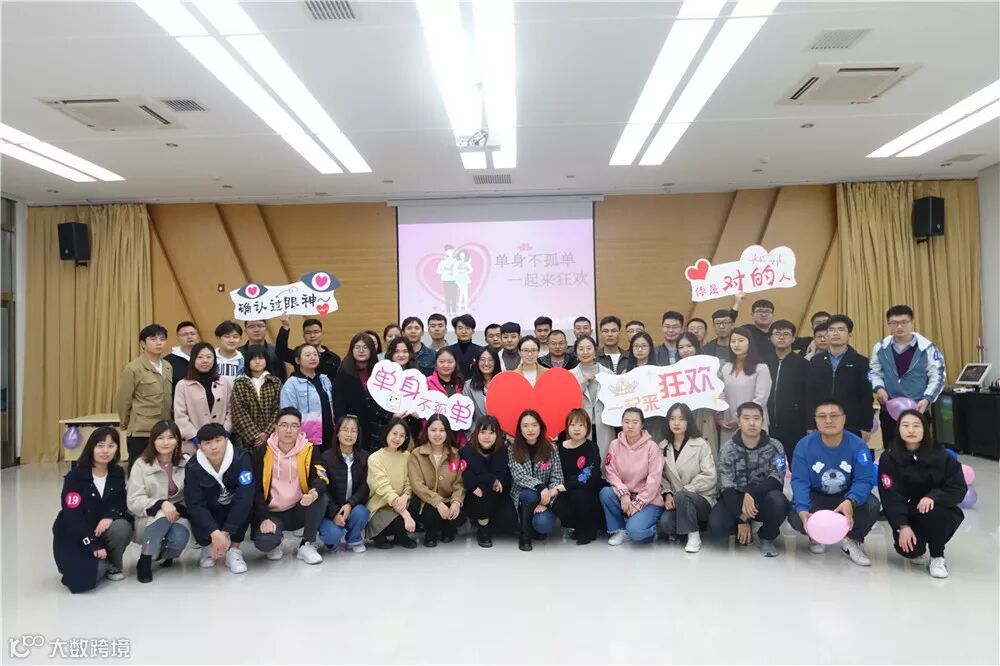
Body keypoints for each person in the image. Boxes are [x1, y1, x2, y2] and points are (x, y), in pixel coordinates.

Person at [787, 399, 880, 566]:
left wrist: (851, 501)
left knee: (872, 505)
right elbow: (800, 481)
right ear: (815, 420)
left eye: (834, 415)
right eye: (822, 416)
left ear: (844, 419)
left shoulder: (858, 445)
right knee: (795, 513)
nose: (828, 420)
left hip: (846, 498)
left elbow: (864, 479)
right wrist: (802, 509)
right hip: (817, 496)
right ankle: (816, 535)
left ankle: (852, 540)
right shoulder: (804, 445)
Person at [878, 410, 966, 578]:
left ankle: (937, 556)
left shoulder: (941, 455)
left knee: (932, 510)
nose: (911, 430)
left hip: (937, 510)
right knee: (911, 550)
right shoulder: (889, 457)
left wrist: (933, 496)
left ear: (925, 429)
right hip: (908, 512)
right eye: (905, 425)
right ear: (898, 429)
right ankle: (919, 543)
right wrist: (903, 525)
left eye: (916, 425)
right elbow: (890, 495)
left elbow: (957, 487)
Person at [52, 427, 131, 593]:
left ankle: (113, 565)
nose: (105, 451)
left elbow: (120, 503)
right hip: (76, 534)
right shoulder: (75, 476)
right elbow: (72, 514)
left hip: (103, 530)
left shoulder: (117, 473)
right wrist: (92, 543)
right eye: (100, 445)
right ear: (91, 448)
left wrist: (110, 516)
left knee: (122, 527)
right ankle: (102, 563)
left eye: (111, 446)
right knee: (82, 580)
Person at [251, 407, 330, 565]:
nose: (288, 430)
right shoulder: (262, 451)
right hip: (272, 513)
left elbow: (321, 476)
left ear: (300, 428)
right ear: (276, 427)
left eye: (294, 426)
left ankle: (306, 544)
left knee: (321, 497)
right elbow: (255, 488)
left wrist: (314, 492)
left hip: (299, 508)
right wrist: (263, 517)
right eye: (284, 425)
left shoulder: (309, 449)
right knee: (265, 543)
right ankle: (277, 542)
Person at [708, 402, 788, 556]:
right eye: (746, 418)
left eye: (756, 418)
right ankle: (744, 528)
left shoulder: (775, 446)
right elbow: (726, 485)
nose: (752, 423)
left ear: (762, 420)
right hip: (736, 498)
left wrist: (752, 493)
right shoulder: (727, 448)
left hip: (763, 498)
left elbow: (778, 478)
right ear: (738, 421)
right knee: (717, 526)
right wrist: (742, 519)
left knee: (779, 501)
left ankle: (767, 537)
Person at [870, 305, 946, 446]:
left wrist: (927, 399)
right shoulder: (880, 347)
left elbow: (938, 376)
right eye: (894, 323)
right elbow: (875, 372)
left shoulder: (927, 348)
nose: (899, 326)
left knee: (920, 450)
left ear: (912, 323)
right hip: (889, 410)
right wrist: (879, 388)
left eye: (904, 322)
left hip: (918, 408)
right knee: (891, 449)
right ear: (888, 324)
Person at [183, 422, 254, 574]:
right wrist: (214, 533)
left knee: (245, 504)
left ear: (226, 440)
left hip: (233, 509)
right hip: (211, 510)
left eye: (218, 441)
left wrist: (226, 532)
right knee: (195, 511)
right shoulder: (193, 466)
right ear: (200, 446)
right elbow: (195, 504)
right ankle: (206, 547)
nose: (214, 447)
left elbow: (245, 496)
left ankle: (234, 551)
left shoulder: (242, 458)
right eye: (208, 443)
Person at [126, 420, 190, 583]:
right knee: (161, 515)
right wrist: (160, 504)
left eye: (171, 437)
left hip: (176, 516)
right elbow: (133, 500)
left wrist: (176, 509)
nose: (165, 442)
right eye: (160, 438)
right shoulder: (141, 464)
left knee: (180, 537)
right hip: (147, 519)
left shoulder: (186, 463)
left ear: (178, 441)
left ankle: (164, 554)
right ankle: (145, 559)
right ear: (153, 441)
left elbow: (192, 496)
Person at [658, 403, 717, 553]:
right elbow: (662, 476)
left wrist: (687, 490)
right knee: (666, 524)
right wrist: (668, 494)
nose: (676, 423)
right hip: (677, 500)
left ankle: (694, 536)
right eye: (672, 419)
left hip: (701, 498)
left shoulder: (701, 444)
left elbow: (710, 475)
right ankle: (689, 526)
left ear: (688, 421)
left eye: (681, 419)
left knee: (683, 496)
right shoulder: (663, 446)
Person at [601, 408, 665, 545]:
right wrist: (623, 493)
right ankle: (620, 530)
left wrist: (639, 503)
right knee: (606, 493)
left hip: (649, 500)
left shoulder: (652, 447)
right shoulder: (614, 445)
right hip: (626, 496)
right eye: (626, 422)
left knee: (636, 532)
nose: (630, 426)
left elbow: (654, 480)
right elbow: (611, 472)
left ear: (642, 425)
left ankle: (653, 530)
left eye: (635, 422)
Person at [804, 314, 873, 441]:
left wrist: (866, 426)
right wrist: (810, 423)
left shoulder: (861, 362)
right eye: (831, 330)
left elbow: (866, 397)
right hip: (822, 421)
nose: (835, 333)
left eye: (841, 329)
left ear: (850, 334)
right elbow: (810, 394)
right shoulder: (815, 361)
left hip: (852, 423)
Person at [116, 323, 173, 474]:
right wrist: (126, 424)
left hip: (163, 429)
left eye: (162, 339)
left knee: (161, 470)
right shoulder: (133, 368)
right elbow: (123, 400)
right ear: (142, 343)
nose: (159, 343)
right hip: (141, 430)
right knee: (139, 470)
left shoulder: (167, 366)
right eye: (153, 339)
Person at [508, 409, 564, 551]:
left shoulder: (551, 449)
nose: (530, 429)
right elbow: (518, 476)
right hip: (523, 496)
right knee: (529, 494)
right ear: (520, 429)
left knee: (543, 525)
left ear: (540, 427)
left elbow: (557, 477)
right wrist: (540, 486)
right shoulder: (513, 449)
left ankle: (534, 527)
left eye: (534, 425)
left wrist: (546, 499)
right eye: (525, 425)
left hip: (545, 498)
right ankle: (524, 535)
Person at [408, 413, 466, 547]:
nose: (437, 434)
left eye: (442, 430)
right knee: (431, 513)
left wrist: (456, 502)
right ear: (427, 431)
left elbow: (459, 484)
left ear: (447, 432)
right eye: (433, 430)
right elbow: (417, 485)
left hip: (448, 500)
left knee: (459, 514)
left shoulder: (455, 454)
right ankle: (431, 532)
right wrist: (438, 502)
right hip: (425, 502)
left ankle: (448, 528)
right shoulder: (416, 454)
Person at [319, 415, 371, 553]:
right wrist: (334, 513)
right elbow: (324, 490)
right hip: (330, 511)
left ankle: (354, 538)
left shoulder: (365, 457)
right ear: (337, 433)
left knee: (362, 512)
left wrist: (350, 504)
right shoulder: (326, 457)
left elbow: (365, 487)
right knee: (332, 534)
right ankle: (332, 541)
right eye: (345, 430)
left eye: (353, 431)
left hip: (352, 508)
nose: (349, 434)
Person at [552, 409, 604, 545]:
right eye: (573, 425)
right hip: (565, 489)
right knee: (558, 503)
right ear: (567, 427)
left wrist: (564, 486)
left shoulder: (591, 447)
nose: (577, 429)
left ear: (587, 428)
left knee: (578, 494)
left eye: (581, 425)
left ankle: (589, 529)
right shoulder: (558, 448)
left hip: (587, 489)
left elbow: (587, 475)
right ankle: (576, 526)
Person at [461, 416, 513, 547]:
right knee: (479, 494)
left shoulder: (503, 450)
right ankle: (483, 529)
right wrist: (490, 479)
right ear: (476, 433)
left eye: (491, 432)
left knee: (508, 521)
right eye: (483, 432)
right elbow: (467, 479)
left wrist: (494, 482)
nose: (487, 437)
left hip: (497, 495)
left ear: (497, 434)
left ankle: (491, 521)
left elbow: (506, 476)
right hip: (476, 496)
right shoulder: (466, 451)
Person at [365, 419, 418, 549]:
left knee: (418, 505)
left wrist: (405, 496)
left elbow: (409, 481)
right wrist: (406, 515)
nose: (397, 438)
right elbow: (384, 488)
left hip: (402, 502)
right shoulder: (374, 458)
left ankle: (400, 536)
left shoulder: (406, 456)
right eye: (394, 433)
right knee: (398, 518)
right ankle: (379, 535)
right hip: (382, 506)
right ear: (387, 433)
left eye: (402, 435)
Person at [174, 342, 233, 456]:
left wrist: (225, 433)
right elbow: (180, 416)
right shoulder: (183, 385)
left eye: (209, 357)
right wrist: (196, 438)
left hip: (221, 443)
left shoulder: (223, 382)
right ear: (193, 360)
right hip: (193, 445)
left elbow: (231, 411)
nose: (205, 361)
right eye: (200, 357)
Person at [717, 326, 772, 444]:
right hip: (729, 422)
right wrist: (720, 418)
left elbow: (761, 399)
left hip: (752, 422)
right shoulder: (726, 368)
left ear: (749, 343)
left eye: (741, 340)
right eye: (733, 341)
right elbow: (720, 393)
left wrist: (740, 418)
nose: (736, 344)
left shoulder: (761, 368)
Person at [766, 320, 809, 461]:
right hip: (768, 424)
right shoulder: (763, 363)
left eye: (786, 334)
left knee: (795, 462)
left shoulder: (803, 364)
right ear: (770, 338)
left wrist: (809, 423)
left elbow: (809, 396)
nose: (781, 337)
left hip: (795, 426)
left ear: (793, 338)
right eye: (777, 334)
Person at [333, 332, 383, 452]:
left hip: (377, 426)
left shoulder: (379, 371)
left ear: (372, 350)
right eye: (357, 347)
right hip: (353, 427)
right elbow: (338, 404)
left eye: (365, 347)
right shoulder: (343, 372)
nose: (361, 351)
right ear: (352, 350)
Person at [280, 343, 335, 452]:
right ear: (297, 360)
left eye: (315, 354)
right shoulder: (291, 384)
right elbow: (288, 414)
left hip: (329, 436)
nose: (313, 357)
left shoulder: (325, 379)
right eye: (308, 355)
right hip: (305, 438)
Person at [570, 336, 616, 459]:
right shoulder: (570, 375)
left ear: (595, 352)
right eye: (581, 349)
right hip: (579, 425)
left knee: (604, 459)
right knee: (582, 460)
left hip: (604, 424)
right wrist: (584, 382)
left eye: (589, 348)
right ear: (576, 353)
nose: (585, 352)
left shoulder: (608, 373)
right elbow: (569, 400)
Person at [230, 345, 282, 450]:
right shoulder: (240, 383)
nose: (257, 362)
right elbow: (238, 412)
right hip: (246, 440)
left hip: (272, 438)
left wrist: (267, 433)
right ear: (247, 362)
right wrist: (255, 436)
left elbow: (279, 408)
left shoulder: (275, 382)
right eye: (253, 359)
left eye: (261, 358)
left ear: (266, 360)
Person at [676, 332, 718, 458]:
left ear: (696, 347)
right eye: (681, 347)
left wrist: (718, 398)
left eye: (689, 346)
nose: (685, 350)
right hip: (684, 416)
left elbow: (716, 390)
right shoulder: (673, 371)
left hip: (704, 415)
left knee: (707, 454)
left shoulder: (708, 367)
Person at [276, 314, 342, 384]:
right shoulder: (299, 353)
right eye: (308, 333)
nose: (312, 335)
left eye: (316, 332)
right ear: (303, 335)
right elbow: (281, 352)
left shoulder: (333, 358)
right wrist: (285, 327)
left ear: (321, 333)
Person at [463, 347, 501, 439]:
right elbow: (466, 416)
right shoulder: (468, 386)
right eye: (482, 360)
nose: (486, 364)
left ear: (496, 362)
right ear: (477, 362)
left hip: (501, 437)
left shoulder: (504, 383)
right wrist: (476, 436)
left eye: (490, 360)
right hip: (476, 437)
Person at [165, 320, 199, 394]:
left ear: (197, 336)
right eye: (185, 334)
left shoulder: (205, 358)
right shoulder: (168, 361)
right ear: (178, 338)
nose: (189, 337)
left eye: (192, 333)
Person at [436, 245, 459, 314]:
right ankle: (448, 312)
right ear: (446, 252)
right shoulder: (443, 262)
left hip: (454, 281)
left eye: (451, 251)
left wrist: (454, 271)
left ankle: (454, 311)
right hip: (446, 281)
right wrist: (446, 270)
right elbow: (438, 271)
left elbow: (459, 271)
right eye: (448, 251)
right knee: (448, 297)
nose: (450, 252)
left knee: (454, 297)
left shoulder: (455, 261)